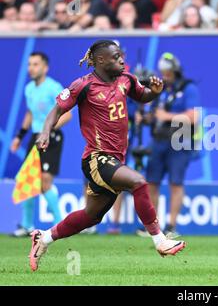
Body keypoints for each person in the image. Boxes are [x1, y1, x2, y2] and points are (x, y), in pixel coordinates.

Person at [29, 40, 186, 272]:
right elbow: (58, 110)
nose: (121, 60)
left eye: (121, 56)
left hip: (115, 159)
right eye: (115, 57)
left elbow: (142, 96)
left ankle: (44, 238)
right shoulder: (83, 85)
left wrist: (154, 92)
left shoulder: (127, 79)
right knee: (138, 182)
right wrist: (45, 131)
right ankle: (160, 240)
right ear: (101, 60)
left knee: (91, 216)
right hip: (96, 157)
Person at [136, 52, 200, 238]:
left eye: (168, 72)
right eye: (163, 72)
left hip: (180, 142)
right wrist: (146, 118)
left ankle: (171, 226)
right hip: (158, 141)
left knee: (176, 183)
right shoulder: (161, 90)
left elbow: (194, 117)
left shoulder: (188, 88)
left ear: (175, 71)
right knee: (151, 183)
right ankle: (152, 226)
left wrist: (167, 117)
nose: (165, 76)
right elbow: (156, 115)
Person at [10, 52, 72, 237]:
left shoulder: (54, 88)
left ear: (45, 68)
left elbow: (67, 115)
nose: (31, 68)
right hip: (35, 137)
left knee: (45, 182)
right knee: (28, 179)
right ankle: (27, 225)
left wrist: (48, 130)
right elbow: (29, 114)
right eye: (29, 64)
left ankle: (60, 225)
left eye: (35, 64)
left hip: (52, 137)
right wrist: (19, 136)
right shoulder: (29, 88)